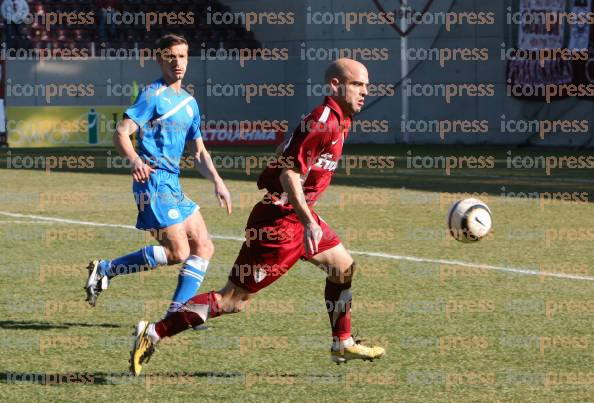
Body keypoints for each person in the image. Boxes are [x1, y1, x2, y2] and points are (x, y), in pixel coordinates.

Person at [129, 58, 385, 376]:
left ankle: (342, 342)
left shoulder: (338, 119)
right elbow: (290, 172)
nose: (365, 92)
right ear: (335, 85)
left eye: (367, 86)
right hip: (280, 224)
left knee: (343, 267)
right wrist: (306, 221)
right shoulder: (323, 120)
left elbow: (284, 152)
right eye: (358, 84)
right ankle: (153, 332)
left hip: (294, 215)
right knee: (231, 300)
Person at [85, 34, 232, 320]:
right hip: (152, 181)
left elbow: (199, 151)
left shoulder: (190, 103)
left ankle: (176, 314)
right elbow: (121, 132)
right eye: (171, 57)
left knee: (204, 246)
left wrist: (217, 181)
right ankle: (107, 269)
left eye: (182, 56)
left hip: (172, 182)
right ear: (160, 60)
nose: (178, 62)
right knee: (178, 251)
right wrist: (135, 161)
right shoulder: (152, 95)